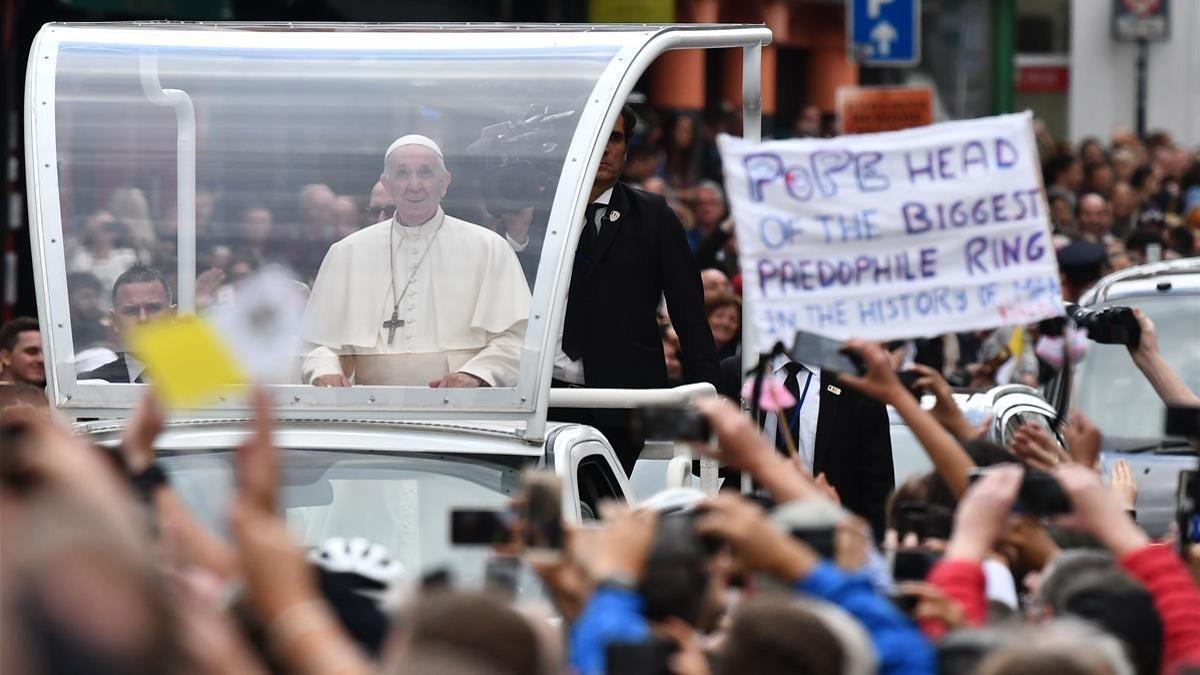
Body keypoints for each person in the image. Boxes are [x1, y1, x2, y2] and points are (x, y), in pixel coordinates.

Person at [554, 106, 719, 474]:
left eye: (614, 138)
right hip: (547, 395)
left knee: (608, 511)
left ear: (627, 148)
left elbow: (690, 319)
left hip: (626, 406)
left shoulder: (654, 216)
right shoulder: (542, 213)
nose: (605, 148)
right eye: (596, 136)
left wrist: (709, 409)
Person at [301, 135, 530, 388]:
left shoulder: (489, 248)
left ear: (444, 183)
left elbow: (517, 338)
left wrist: (477, 375)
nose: (414, 185)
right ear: (387, 184)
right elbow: (318, 343)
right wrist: (325, 370)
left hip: (462, 409)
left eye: (425, 173)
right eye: (402, 174)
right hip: (368, 409)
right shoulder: (347, 252)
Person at [717, 351, 895, 537]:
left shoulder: (856, 381)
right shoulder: (739, 371)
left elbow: (878, 484)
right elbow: (707, 460)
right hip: (752, 527)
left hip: (827, 533)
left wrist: (876, 549)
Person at [78, 265, 175, 383]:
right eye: (131, 311)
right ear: (114, 322)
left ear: (172, 316)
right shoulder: (87, 386)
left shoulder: (200, 379)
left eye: (153, 308)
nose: (143, 319)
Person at [0, 317, 45, 389]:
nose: (41, 359)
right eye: (31, 351)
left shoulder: (51, 398)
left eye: (45, 354)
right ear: (6, 357)